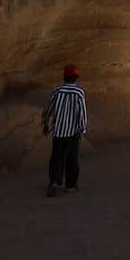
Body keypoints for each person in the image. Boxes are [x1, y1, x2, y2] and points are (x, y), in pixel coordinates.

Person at [42, 63, 88, 197]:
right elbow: (82, 113)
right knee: (72, 158)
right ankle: (71, 185)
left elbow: (49, 108)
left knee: (57, 157)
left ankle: (55, 181)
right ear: (75, 77)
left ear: (64, 77)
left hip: (58, 131)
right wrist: (82, 130)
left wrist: (45, 123)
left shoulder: (57, 90)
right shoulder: (79, 92)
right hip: (73, 132)